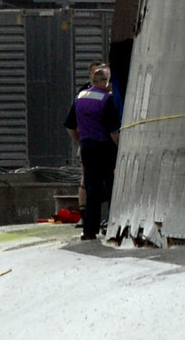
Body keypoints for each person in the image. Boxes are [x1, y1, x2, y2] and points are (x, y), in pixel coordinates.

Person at [64, 63, 120, 240]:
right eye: (109, 81)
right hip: (104, 148)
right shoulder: (106, 100)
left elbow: (70, 126)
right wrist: (121, 149)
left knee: (91, 188)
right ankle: (112, 225)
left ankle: (89, 230)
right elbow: (113, 132)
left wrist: (81, 141)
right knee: (111, 185)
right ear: (103, 81)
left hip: (87, 148)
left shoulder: (79, 97)